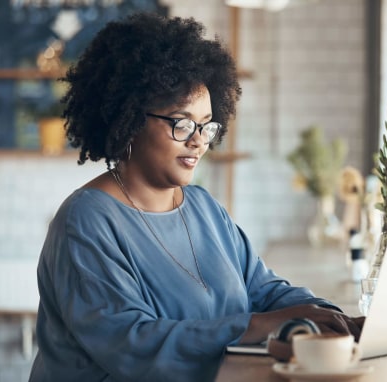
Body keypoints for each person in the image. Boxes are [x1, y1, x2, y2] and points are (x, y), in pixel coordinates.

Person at [29, 12, 364, 382]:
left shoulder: (204, 208)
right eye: (181, 122)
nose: (199, 139)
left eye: (206, 124)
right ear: (129, 120)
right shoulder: (86, 221)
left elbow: (264, 290)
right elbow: (132, 345)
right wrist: (260, 325)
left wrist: (333, 316)